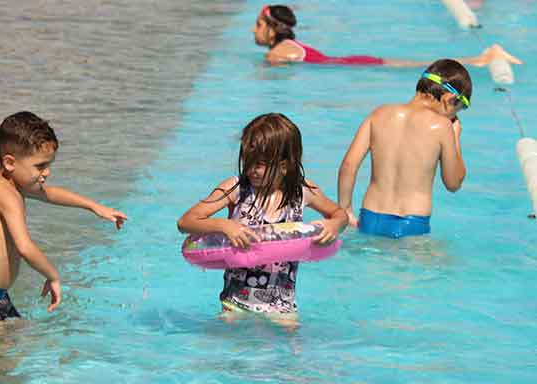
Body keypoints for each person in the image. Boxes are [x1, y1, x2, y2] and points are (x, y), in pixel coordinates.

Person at [0, 111, 127, 326]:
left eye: (49, 165)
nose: (47, 173)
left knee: (10, 349)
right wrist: (53, 275)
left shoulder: (14, 187)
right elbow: (25, 247)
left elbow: (51, 194)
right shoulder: (3, 194)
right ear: (10, 163)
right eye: (40, 166)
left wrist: (94, 207)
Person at [177, 113, 347, 319]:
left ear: (284, 165)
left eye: (259, 164)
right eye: (247, 162)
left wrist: (335, 225)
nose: (250, 170)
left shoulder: (302, 191)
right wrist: (224, 225)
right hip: (236, 303)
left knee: (293, 348)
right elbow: (186, 221)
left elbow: (339, 213)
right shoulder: (236, 189)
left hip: (283, 306)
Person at [337, 59, 473, 238]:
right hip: (411, 224)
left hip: (370, 219)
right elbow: (453, 183)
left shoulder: (379, 114)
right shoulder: (442, 127)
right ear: (449, 100)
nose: (455, 118)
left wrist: (345, 210)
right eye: (459, 110)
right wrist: (455, 137)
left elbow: (348, 165)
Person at [254, 5, 522, 68]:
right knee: (415, 65)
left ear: (272, 29)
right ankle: (482, 56)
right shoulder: (291, 45)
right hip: (354, 61)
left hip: (355, 64)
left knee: (419, 66)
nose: (253, 30)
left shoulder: (277, 53)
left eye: (257, 25)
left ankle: (482, 57)